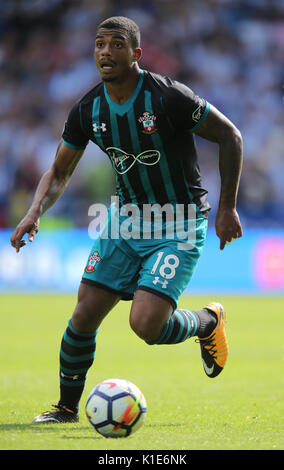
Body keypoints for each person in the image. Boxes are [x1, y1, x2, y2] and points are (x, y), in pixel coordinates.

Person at [10, 16, 243, 423]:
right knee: (83, 315)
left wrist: (227, 208)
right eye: (99, 44)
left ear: (136, 54)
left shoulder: (169, 97)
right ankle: (65, 408)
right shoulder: (88, 109)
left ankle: (207, 321)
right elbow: (60, 171)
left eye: (116, 45)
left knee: (147, 325)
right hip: (125, 223)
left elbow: (231, 136)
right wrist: (34, 212)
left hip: (180, 221)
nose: (105, 52)